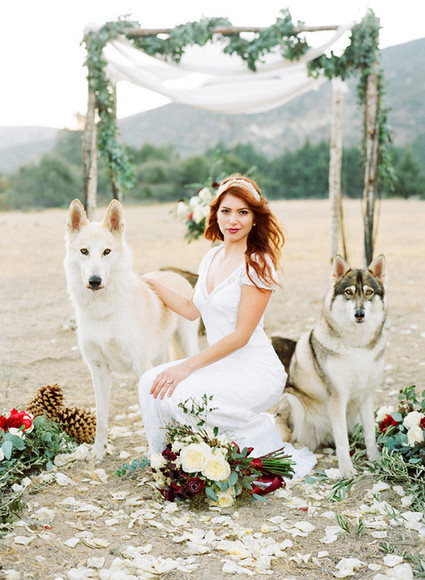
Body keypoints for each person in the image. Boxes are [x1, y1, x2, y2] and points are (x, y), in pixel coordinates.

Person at [138, 175, 316, 478]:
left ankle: (257, 439)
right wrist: (151, 283)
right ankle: (170, 463)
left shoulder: (258, 263)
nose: (233, 220)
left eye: (243, 212)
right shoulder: (211, 257)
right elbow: (191, 310)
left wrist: (185, 367)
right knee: (149, 382)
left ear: (255, 218)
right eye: (226, 211)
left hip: (254, 371)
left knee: (183, 396)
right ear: (216, 214)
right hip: (219, 365)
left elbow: (241, 335)